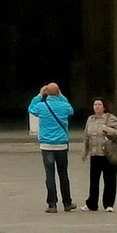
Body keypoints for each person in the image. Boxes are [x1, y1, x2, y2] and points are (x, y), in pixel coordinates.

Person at [28, 84, 75, 212]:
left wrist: (39, 95)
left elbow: (31, 108)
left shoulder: (41, 107)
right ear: (58, 92)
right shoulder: (64, 106)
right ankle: (67, 202)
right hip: (61, 144)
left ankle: (52, 204)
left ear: (46, 93)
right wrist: (61, 95)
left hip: (46, 144)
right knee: (63, 174)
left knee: (50, 175)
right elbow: (71, 110)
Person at [82, 99, 117, 212]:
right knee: (94, 180)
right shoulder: (90, 119)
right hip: (95, 153)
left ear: (104, 107)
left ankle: (109, 204)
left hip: (108, 154)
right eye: (95, 104)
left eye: (99, 105)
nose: (97, 107)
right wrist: (85, 151)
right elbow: (86, 136)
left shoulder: (111, 118)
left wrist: (108, 130)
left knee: (109, 180)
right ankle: (92, 203)